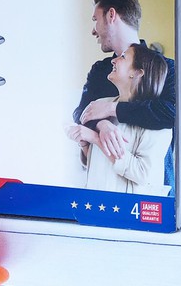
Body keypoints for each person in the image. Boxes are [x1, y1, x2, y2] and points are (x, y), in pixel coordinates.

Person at [72, 0, 176, 153]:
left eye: (95, 20)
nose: (93, 31)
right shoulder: (100, 71)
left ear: (111, 15)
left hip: (155, 169)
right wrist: (101, 124)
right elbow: (80, 114)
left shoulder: (168, 68)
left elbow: (174, 113)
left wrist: (112, 108)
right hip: (103, 168)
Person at [66, 43, 174, 193]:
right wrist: (84, 144)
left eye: (123, 57)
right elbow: (96, 163)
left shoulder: (156, 121)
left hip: (130, 206)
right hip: (96, 202)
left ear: (137, 73)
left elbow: (143, 173)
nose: (113, 60)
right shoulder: (100, 104)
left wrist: (96, 139)